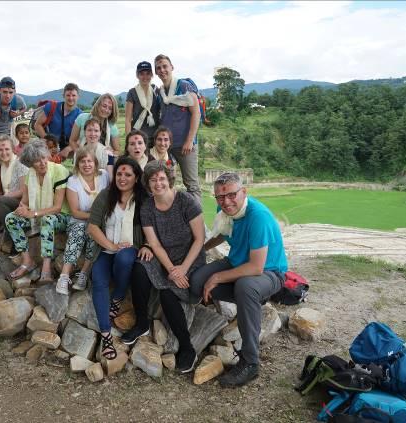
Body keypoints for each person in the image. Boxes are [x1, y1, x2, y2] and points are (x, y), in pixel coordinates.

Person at [190, 172, 287, 387]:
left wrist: (217, 276)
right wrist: (200, 249)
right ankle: (249, 302)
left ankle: (250, 362)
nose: (226, 201)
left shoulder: (257, 217)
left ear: (244, 192)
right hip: (236, 263)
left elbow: (256, 266)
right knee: (197, 282)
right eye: (220, 197)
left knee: (245, 286)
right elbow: (224, 233)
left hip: (269, 272)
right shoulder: (225, 210)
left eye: (232, 195)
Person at [121, 161, 206, 374]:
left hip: (190, 258)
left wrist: (183, 269)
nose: (158, 183)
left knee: (168, 293)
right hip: (164, 257)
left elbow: (199, 239)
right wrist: (170, 269)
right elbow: (155, 244)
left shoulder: (186, 201)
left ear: (169, 179)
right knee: (139, 268)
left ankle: (187, 348)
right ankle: (142, 323)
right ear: (148, 184)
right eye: (153, 179)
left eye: (161, 178)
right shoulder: (148, 207)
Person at [87, 157, 150, 360]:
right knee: (98, 279)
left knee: (124, 258)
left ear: (136, 177)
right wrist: (111, 246)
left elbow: (153, 228)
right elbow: (92, 226)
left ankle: (119, 296)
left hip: (130, 248)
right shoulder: (106, 196)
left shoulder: (143, 200)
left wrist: (148, 245)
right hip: (106, 250)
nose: (122, 178)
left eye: (128, 174)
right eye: (119, 174)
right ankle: (106, 335)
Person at [5, 139, 70, 284]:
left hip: (62, 217)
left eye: (43, 157)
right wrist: (21, 209)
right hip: (38, 214)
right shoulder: (30, 175)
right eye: (37, 160)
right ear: (30, 163)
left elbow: (58, 207)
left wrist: (32, 214)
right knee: (10, 218)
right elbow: (25, 200)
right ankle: (27, 261)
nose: (42, 163)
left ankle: (46, 268)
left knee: (47, 219)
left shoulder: (59, 171)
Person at [56, 147, 110, 295]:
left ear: (95, 163)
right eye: (82, 161)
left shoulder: (104, 176)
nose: (86, 164)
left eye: (89, 161)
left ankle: (84, 274)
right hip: (79, 219)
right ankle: (64, 276)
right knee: (79, 230)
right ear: (77, 164)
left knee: (94, 232)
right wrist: (95, 216)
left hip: (97, 222)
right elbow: (75, 212)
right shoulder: (73, 181)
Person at [154, 54, 202, 203]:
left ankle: (197, 223)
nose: (162, 70)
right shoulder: (161, 93)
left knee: (192, 185)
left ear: (171, 67)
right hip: (167, 148)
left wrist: (189, 141)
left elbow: (196, 113)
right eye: (158, 68)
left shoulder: (184, 86)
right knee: (167, 183)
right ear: (156, 72)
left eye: (164, 66)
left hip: (186, 146)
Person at [33, 82, 81, 159]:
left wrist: (68, 149)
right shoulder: (52, 107)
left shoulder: (80, 115)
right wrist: (48, 141)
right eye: (68, 95)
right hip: (50, 145)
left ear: (78, 97)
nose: (71, 98)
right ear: (63, 96)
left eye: (73, 95)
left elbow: (81, 137)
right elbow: (37, 125)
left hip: (68, 147)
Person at [125, 61, 160, 142]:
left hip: (155, 136)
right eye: (142, 74)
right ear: (137, 75)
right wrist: (128, 141)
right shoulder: (132, 92)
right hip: (138, 137)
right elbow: (128, 119)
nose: (145, 77)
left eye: (148, 73)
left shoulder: (156, 90)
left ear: (152, 75)